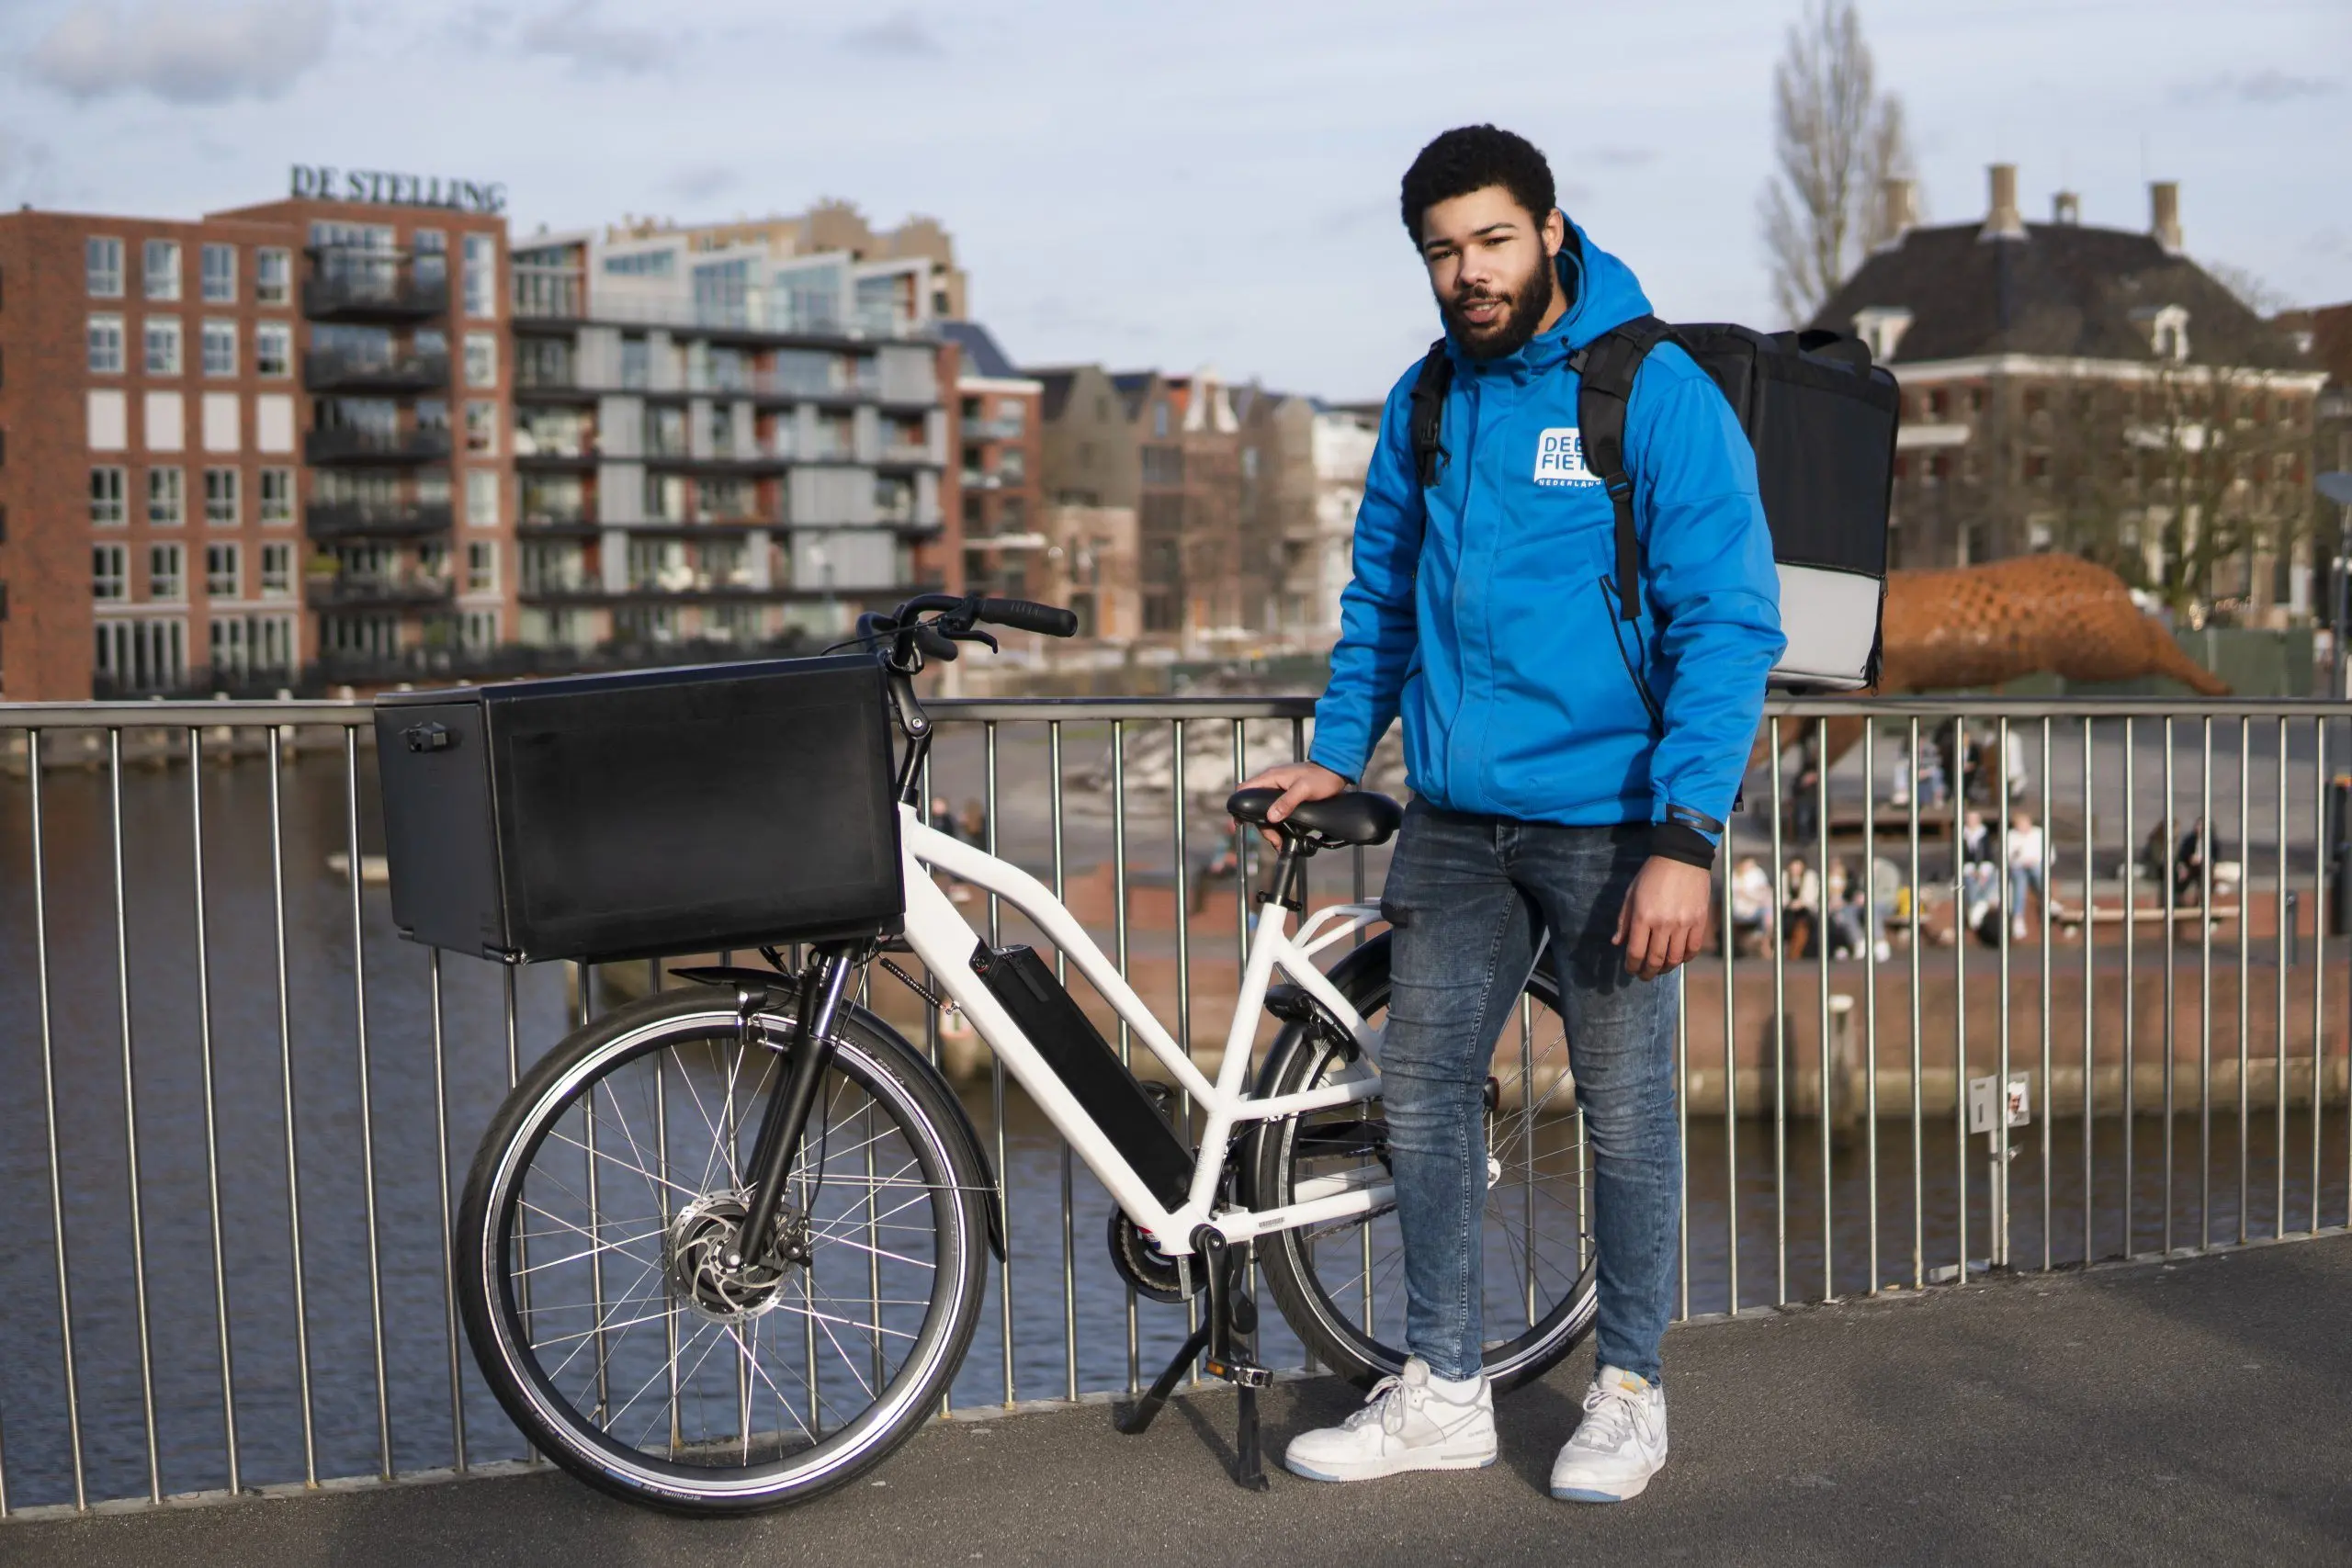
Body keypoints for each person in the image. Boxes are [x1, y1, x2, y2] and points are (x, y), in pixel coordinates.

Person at [1238, 125, 1782, 1503]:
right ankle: (1444, 1391)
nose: (1467, 272)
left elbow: (1729, 621)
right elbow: (1381, 597)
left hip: (1613, 821)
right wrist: (1336, 752)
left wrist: (1686, 837)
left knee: (1627, 1113)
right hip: (1456, 819)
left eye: (1490, 240)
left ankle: (1631, 1389)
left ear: (1549, 230)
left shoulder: (1647, 389)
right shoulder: (1427, 401)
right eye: (1441, 251)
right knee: (1421, 1099)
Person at [2007, 810, 2047, 939]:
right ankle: (2018, 918)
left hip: (2037, 866)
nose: (2022, 827)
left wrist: (2034, 861)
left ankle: (2047, 900)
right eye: (2019, 824)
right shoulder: (2011, 836)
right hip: (2019, 867)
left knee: (2036, 871)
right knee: (2020, 884)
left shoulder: (2039, 833)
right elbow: (2008, 858)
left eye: (2024, 823)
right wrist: (2018, 857)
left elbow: (2050, 855)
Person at [1728, 855, 1775, 955]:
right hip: (1742, 909)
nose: (1750, 866)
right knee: (1767, 912)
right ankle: (1763, 939)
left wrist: (1760, 897)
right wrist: (1757, 898)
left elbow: (1765, 889)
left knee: (1769, 910)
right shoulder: (1735, 876)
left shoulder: (1757, 873)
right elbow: (1742, 894)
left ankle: (1763, 937)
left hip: (1758, 907)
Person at [1781, 855, 1821, 957]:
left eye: (1798, 866)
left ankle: (1797, 952)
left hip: (1806, 911)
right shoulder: (1784, 877)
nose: (1796, 869)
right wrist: (1790, 903)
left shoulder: (1810, 876)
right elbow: (1781, 895)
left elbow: (1811, 896)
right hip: (1788, 910)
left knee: (1803, 925)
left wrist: (1801, 902)